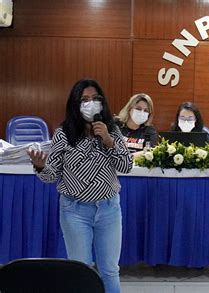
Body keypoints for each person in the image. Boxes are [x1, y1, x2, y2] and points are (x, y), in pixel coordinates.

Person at [27, 78, 133, 293]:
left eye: (95, 99)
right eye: (84, 99)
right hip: (75, 211)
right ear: (75, 103)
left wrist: (109, 141)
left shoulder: (111, 130)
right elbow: (51, 176)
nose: (90, 103)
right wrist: (40, 167)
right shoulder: (63, 133)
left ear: (102, 103)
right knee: (80, 271)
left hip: (109, 209)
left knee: (110, 270)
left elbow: (127, 165)